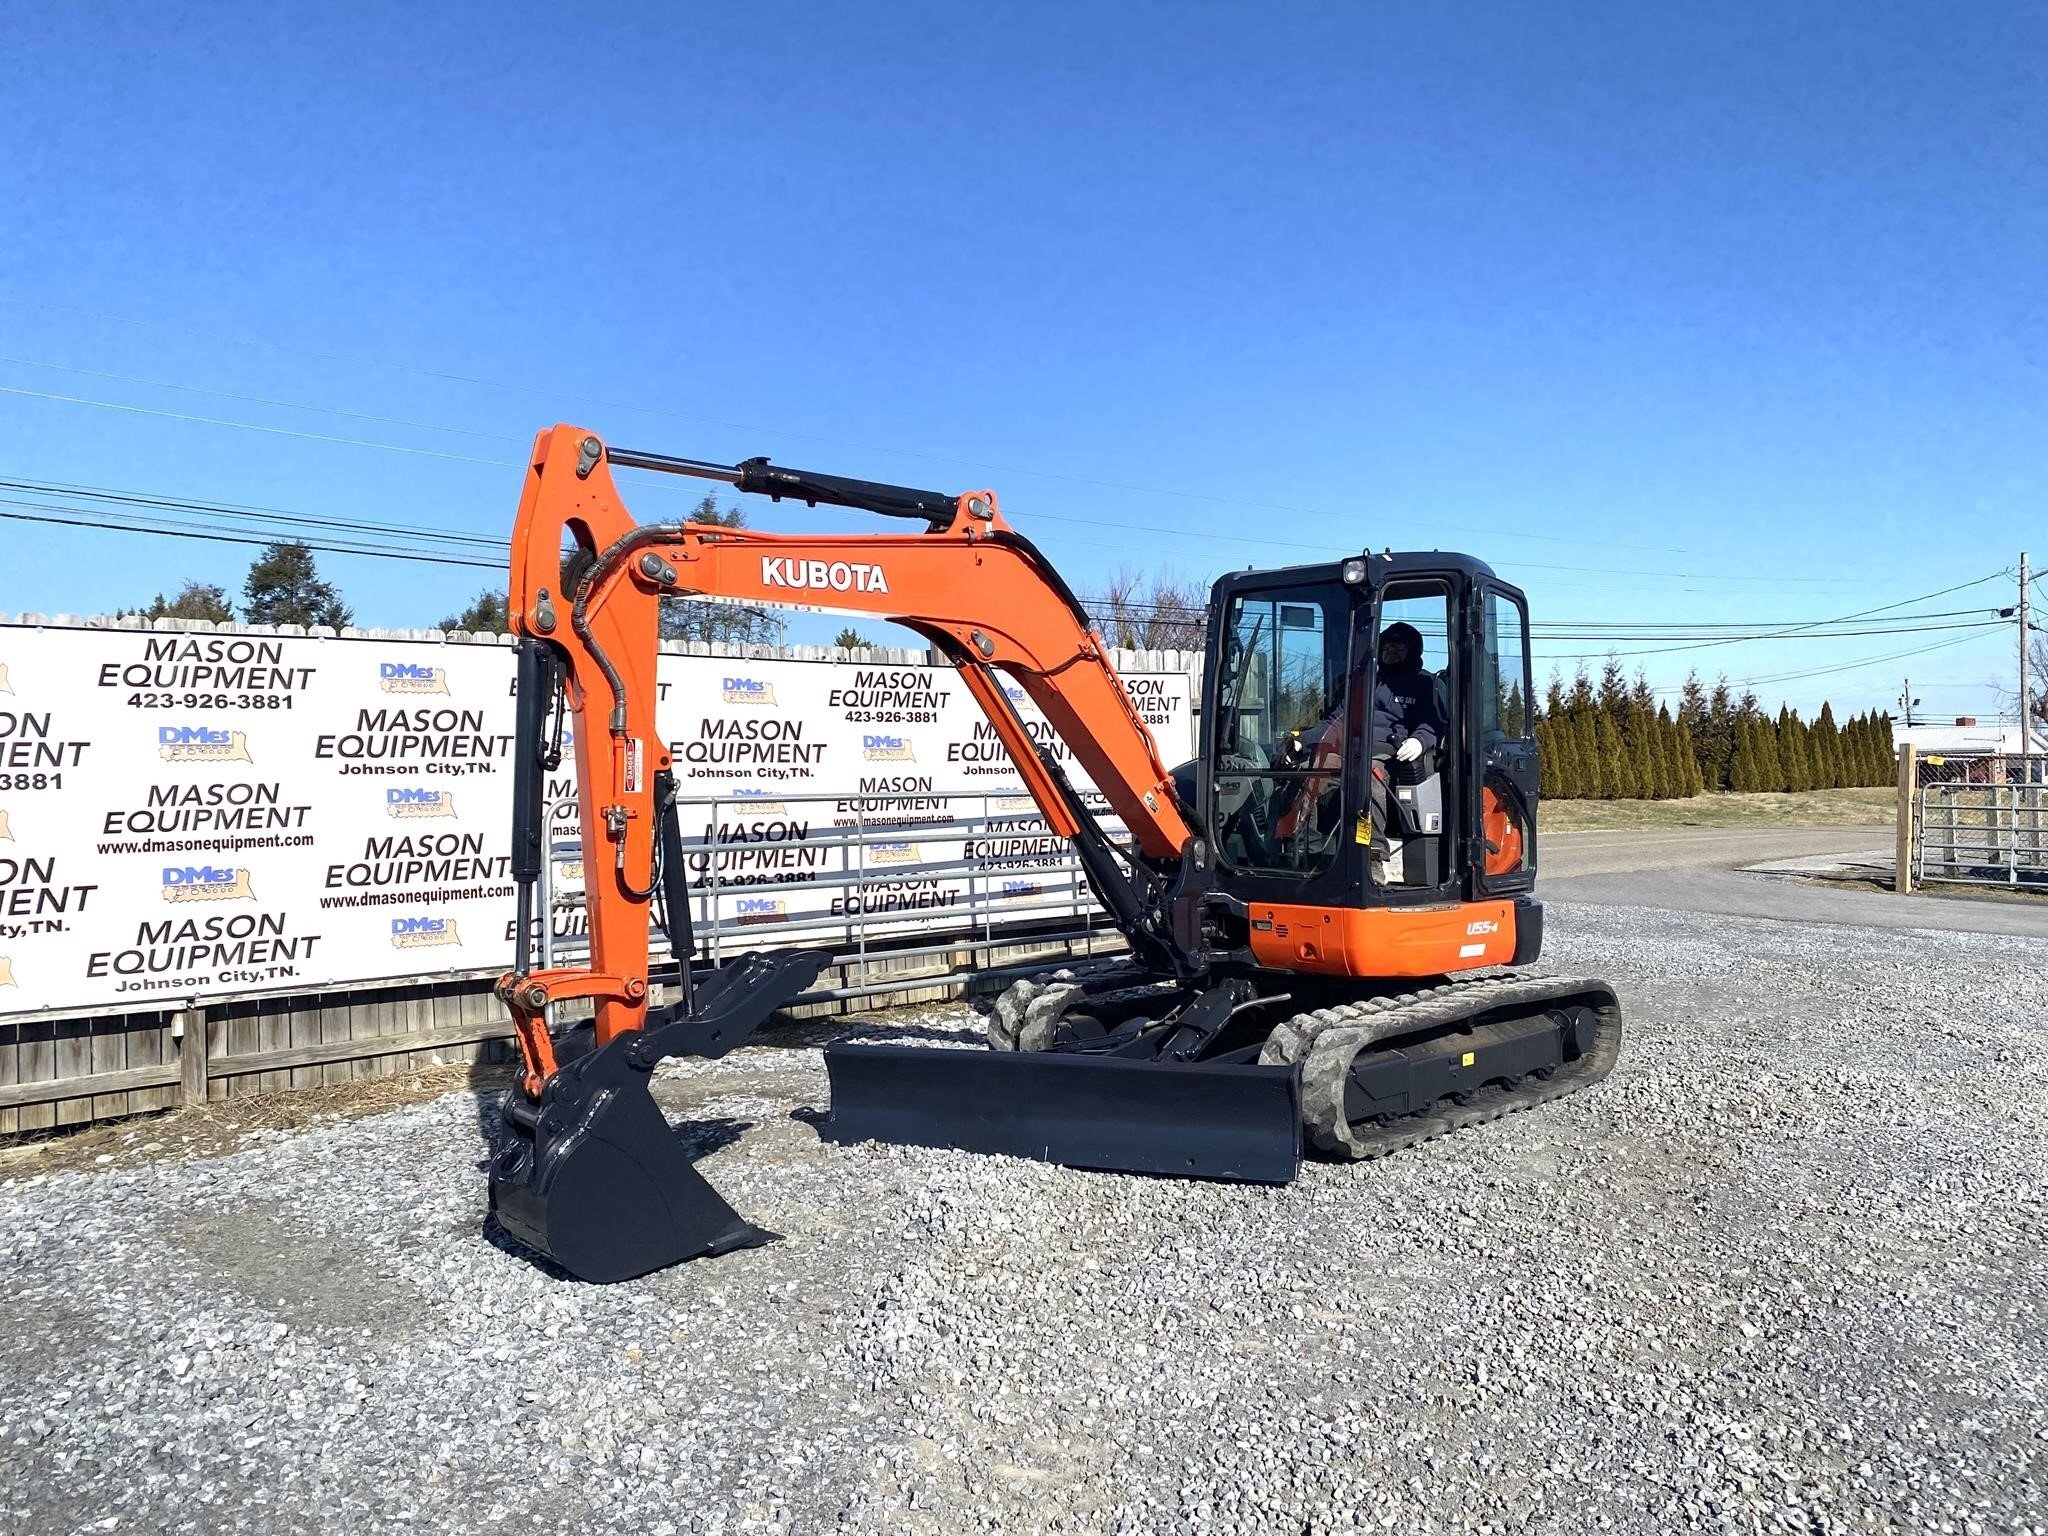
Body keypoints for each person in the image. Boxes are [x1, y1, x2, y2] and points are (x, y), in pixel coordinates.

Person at [1371, 621, 1443, 766]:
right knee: (1319, 764)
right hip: (1353, 750)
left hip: (1391, 756)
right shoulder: (1366, 680)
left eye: (1398, 645)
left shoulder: (1425, 683)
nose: (1390, 649)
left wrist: (1419, 741)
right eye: (1386, 645)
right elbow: (1337, 719)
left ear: (1413, 650)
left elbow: (1433, 722)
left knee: (1371, 773)